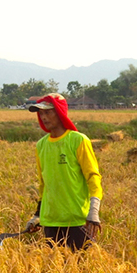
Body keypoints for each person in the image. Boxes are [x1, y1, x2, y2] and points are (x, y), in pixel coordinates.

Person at [24, 93, 103, 250]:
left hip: (77, 220)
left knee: (82, 270)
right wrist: (37, 215)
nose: (44, 117)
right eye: (41, 113)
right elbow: (43, 184)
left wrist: (93, 210)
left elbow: (93, 177)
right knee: (55, 271)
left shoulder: (78, 140)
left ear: (60, 112)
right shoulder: (41, 145)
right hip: (51, 221)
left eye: (48, 112)